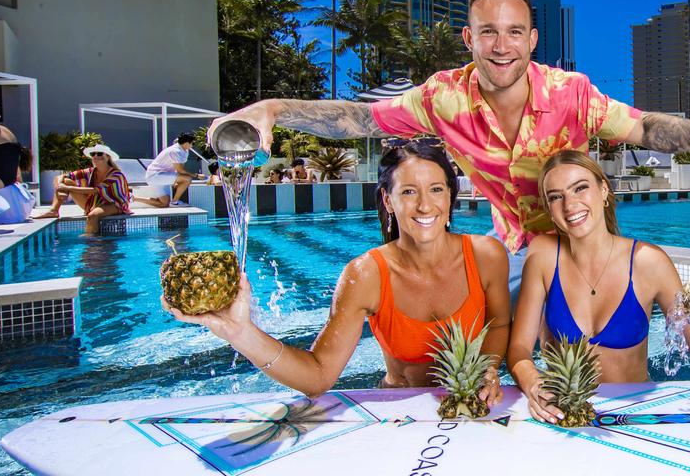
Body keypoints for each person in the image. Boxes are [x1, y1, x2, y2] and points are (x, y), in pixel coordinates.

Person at [210, 0, 690, 297]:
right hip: (518, 252)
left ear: (533, 38)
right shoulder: (441, 100)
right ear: (468, 38)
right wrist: (273, 107)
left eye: (515, 32)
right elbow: (357, 119)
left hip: (589, 249)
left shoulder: (573, 93)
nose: (502, 46)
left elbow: (643, 127)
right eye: (489, 32)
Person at [165, 141, 511, 398]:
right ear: (388, 201)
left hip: (471, 409)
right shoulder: (366, 275)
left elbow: (500, 323)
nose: (424, 205)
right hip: (397, 410)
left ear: (451, 196)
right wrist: (240, 333)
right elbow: (318, 376)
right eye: (408, 191)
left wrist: (490, 368)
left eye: (436, 189)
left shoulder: (486, 255)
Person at [508, 151, 690, 423]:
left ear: (603, 190)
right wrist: (534, 386)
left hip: (634, 416)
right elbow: (518, 349)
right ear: (550, 209)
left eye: (580, 188)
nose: (569, 204)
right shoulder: (543, 255)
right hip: (563, 414)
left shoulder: (648, 262)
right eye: (556, 196)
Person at [36, 145, 131, 234]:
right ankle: (54, 210)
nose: (96, 156)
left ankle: (91, 243)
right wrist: (59, 187)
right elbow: (60, 176)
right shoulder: (90, 171)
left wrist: (66, 188)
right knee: (65, 180)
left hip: (114, 204)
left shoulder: (116, 174)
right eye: (93, 154)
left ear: (108, 157)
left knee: (92, 216)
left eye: (100, 154)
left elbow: (95, 190)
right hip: (94, 203)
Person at [135, 133, 195, 208]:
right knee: (187, 179)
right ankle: (174, 202)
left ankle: (134, 199)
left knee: (164, 204)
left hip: (163, 176)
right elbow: (180, 169)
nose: (193, 145)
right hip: (155, 176)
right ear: (186, 143)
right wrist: (196, 175)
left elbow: (180, 168)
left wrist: (176, 180)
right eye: (193, 143)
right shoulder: (175, 151)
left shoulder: (185, 151)